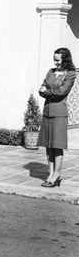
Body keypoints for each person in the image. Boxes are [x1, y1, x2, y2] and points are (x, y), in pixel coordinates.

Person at [38, 47, 77, 187]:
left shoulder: (71, 74)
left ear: (65, 59)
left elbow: (61, 92)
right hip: (47, 111)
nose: (56, 63)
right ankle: (51, 173)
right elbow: (41, 88)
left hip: (59, 113)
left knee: (57, 145)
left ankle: (57, 174)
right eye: (54, 60)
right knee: (48, 145)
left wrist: (47, 91)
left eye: (58, 60)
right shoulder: (51, 72)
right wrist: (48, 91)